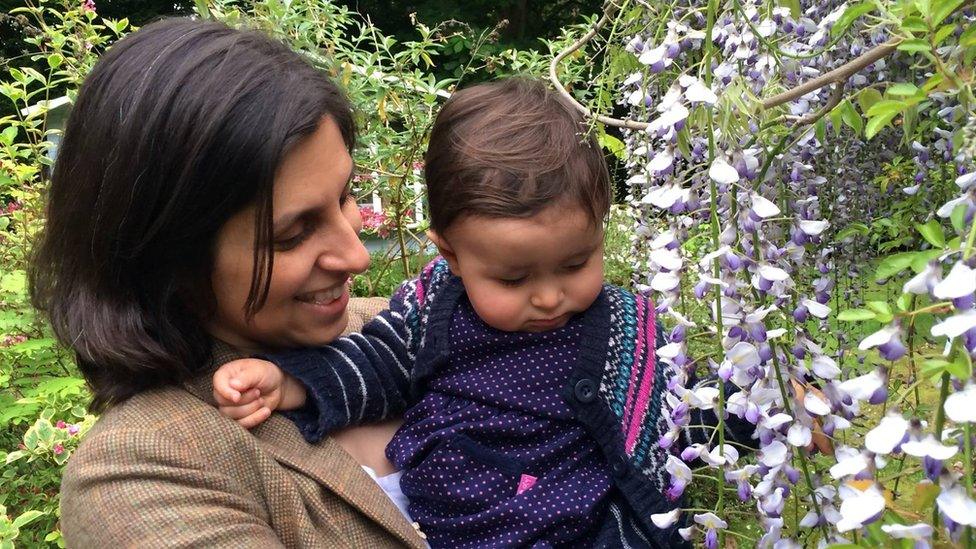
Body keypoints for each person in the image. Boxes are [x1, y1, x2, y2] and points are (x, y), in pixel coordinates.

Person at [213, 78, 757, 548]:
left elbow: (678, 410)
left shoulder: (621, 326)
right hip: (461, 515)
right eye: (513, 279)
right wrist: (291, 382)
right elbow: (373, 362)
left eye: (576, 263)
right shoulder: (434, 309)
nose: (548, 297)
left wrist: (759, 401)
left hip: (586, 521)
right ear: (451, 255)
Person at [30, 18, 427, 547]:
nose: (356, 256)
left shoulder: (411, 326)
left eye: (344, 197)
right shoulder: (144, 469)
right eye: (292, 234)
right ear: (170, 258)